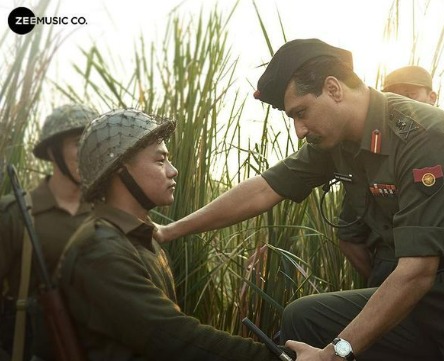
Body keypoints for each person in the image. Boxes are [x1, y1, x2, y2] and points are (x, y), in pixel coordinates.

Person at [156, 38, 444, 360]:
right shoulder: (336, 140)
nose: (298, 129)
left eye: (301, 112)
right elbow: (263, 189)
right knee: (304, 318)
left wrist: (334, 354)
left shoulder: (423, 135)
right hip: (424, 298)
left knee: (334, 348)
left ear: (333, 89)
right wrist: (169, 231)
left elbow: (416, 271)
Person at [55, 109, 280, 360]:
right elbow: (176, 339)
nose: (173, 171)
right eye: (160, 161)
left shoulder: (141, 237)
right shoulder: (100, 251)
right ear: (120, 170)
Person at [0, 104, 97, 361]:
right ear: (53, 152)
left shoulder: (106, 213)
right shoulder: (15, 213)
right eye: (79, 143)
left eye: (92, 143)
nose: (88, 152)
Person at [339, 65, 438, 287]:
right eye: (393, 95)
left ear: (432, 97)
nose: (402, 102)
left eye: (410, 95)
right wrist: (383, 283)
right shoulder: (368, 155)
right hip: (390, 268)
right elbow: (349, 237)